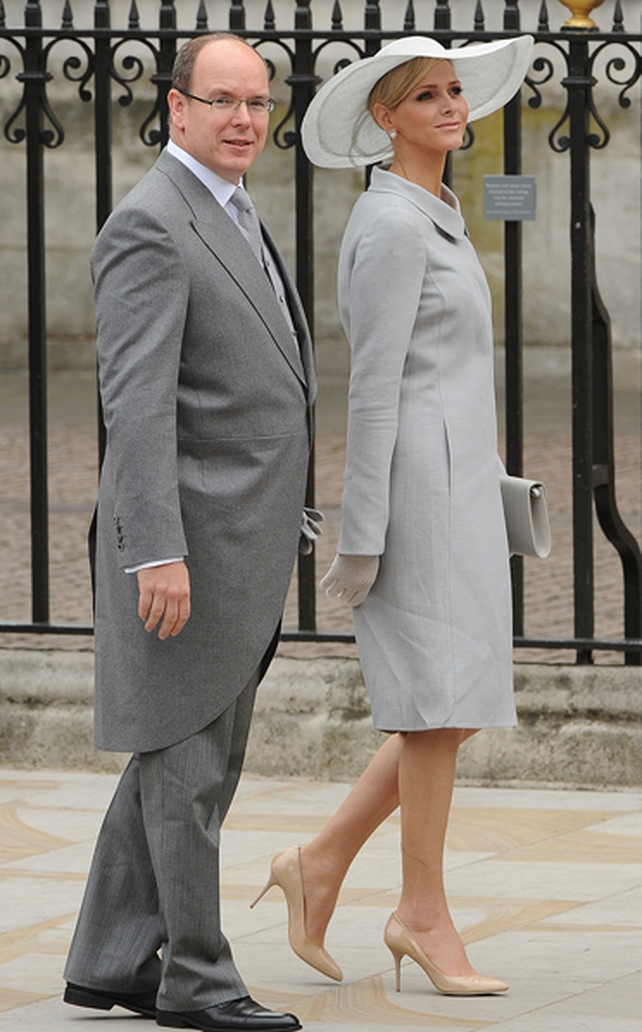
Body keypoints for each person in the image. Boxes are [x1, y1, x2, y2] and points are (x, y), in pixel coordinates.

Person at [251, 35, 533, 996]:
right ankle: (420, 913)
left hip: (458, 490)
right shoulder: (392, 225)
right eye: (427, 96)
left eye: (455, 91)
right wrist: (361, 534)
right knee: (434, 707)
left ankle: (318, 863)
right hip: (414, 498)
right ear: (385, 118)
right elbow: (371, 391)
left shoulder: (441, 211)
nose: (451, 107)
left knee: (443, 711)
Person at [62, 32, 317, 1032]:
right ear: (175, 108)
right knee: (190, 769)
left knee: (179, 758)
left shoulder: (231, 206)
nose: (245, 118)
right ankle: (196, 979)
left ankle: (112, 959)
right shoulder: (152, 226)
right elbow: (138, 409)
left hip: (240, 544)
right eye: (221, 101)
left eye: (257, 101)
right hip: (189, 553)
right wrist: (154, 550)